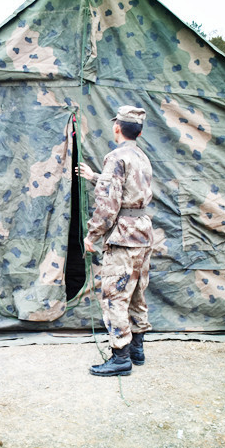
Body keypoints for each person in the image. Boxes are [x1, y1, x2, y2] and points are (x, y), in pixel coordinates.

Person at [78, 106, 153, 376]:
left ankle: (120, 356)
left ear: (117, 128)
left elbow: (109, 204)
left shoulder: (115, 157)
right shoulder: (142, 157)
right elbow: (128, 189)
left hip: (124, 238)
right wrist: (95, 177)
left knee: (115, 296)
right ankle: (137, 350)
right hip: (143, 233)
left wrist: (92, 234)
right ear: (139, 132)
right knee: (137, 293)